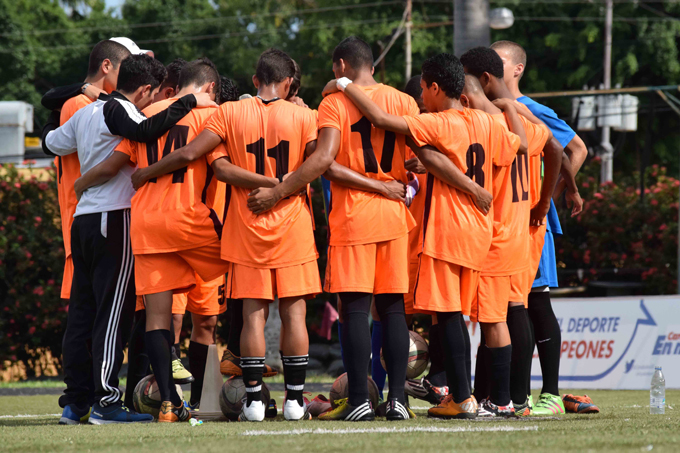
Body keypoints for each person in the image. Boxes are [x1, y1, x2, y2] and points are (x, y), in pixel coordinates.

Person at [323, 52, 527, 419]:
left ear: (435, 88)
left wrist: (342, 84)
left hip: (447, 227)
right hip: (482, 230)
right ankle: (469, 396)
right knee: (456, 316)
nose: (420, 95)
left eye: (423, 88)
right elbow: (521, 144)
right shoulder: (487, 121)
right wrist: (508, 107)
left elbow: (381, 119)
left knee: (444, 315)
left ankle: (462, 397)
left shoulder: (436, 122)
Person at [130, 49, 321, 422]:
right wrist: (282, 186)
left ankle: (250, 401)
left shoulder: (228, 113)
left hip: (244, 224)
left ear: (254, 80)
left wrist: (147, 172)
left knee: (251, 314)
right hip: (292, 223)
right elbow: (317, 161)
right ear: (287, 84)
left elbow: (214, 164)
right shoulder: (304, 115)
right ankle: (295, 401)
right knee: (294, 312)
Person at [44, 54, 213, 424]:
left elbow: (51, 142)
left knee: (82, 314)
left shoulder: (85, 113)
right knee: (112, 315)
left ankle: (76, 402)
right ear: (146, 90)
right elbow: (148, 130)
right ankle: (106, 402)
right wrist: (188, 102)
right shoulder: (120, 111)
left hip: (83, 219)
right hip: (114, 218)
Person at [490, 40, 592, 415]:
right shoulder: (488, 110)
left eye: (499, 60)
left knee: (536, 301)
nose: (492, 66)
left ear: (518, 69)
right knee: (506, 309)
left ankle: (550, 393)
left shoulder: (532, 110)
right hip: (503, 225)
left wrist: (549, 195)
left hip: (533, 224)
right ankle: (517, 396)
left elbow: (575, 149)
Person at [457, 54, 553, 416]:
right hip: (520, 232)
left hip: (494, 236)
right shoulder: (520, 118)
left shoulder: (483, 125)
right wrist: (543, 202)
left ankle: (502, 400)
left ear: (478, 81)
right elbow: (555, 150)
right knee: (516, 311)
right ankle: (518, 398)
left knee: (495, 320)